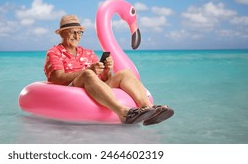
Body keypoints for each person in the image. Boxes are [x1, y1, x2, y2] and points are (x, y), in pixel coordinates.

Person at [44, 15, 174, 125]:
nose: (77, 36)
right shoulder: (54, 52)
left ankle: (149, 109)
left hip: (94, 86)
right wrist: (89, 70)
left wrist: (106, 70)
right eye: (72, 32)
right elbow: (57, 78)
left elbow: (102, 79)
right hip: (72, 88)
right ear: (61, 33)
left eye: (79, 32)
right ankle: (122, 112)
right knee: (88, 74)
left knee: (125, 73)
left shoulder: (88, 53)